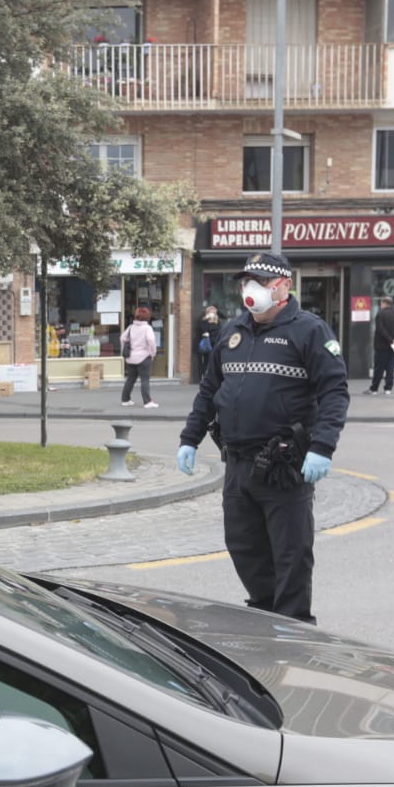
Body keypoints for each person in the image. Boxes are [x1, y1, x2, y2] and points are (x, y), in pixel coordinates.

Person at [175, 252, 349, 624]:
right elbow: (209, 390)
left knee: (290, 552)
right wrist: (189, 438)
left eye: (261, 282)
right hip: (238, 463)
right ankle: (265, 615)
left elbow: (334, 391)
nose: (250, 289)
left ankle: (294, 625)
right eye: (245, 282)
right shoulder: (232, 332)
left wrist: (322, 447)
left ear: (284, 286)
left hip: (283, 464)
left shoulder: (309, 330)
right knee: (243, 545)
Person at [367, 298, 394, 396]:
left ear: (384, 303)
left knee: (379, 368)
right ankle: (388, 388)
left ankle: (374, 388)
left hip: (381, 345)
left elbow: (381, 330)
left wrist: (390, 340)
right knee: (390, 368)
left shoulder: (380, 314)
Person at [120, 306, 158, 408]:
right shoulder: (147, 328)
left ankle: (125, 399)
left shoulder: (131, 327)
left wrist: (128, 348)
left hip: (131, 358)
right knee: (145, 380)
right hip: (144, 357)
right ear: (147, 317)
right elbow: (151, 341)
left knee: (130, 379)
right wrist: (152, 353)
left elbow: (122, 338)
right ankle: (147, 402)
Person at [194, 305, 221, 384]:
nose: (212, 313)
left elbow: (219, 331)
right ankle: (204, 377)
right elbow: (203, 329)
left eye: (213, 312)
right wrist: (207, 319)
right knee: (206, 361)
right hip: (207, 344)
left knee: (215, 361)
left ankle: (213, 378)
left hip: (215, 343)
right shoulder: (204, 321)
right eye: (210, 312)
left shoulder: (217, 321)